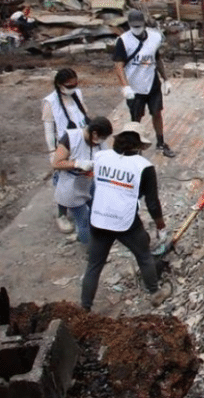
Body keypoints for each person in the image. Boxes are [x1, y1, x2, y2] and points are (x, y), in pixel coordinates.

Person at [81, 122, 171, 311]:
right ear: (139, 146)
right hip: (125, 220)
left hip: (99, 217)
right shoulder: (144, 167)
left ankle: (85, 308)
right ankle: (155, 293)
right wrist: (160, 225)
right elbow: (152, 202)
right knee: (144, 255)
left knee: (94, 266)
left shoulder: (101, 157)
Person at [113, 10, 176, 158]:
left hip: (151, 82)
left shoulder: (154, 38)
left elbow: (157, 59)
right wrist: (125, 86)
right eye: (134, 26)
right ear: (129, 25)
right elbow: (118, 65)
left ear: (144, 24)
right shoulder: (123, 41)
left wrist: (166, 79)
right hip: (134, 86)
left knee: (157, 112)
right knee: (136, 117)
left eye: (139, 26)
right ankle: (135, 145)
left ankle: (161, 142)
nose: (137, 29)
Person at [43, 68, 91, 234]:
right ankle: (61, 214)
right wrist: (52, 152)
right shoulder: (50, 102)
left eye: (75, 84)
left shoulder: (77, 95)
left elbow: (84, 115)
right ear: (59, 85)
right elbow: (49, 130)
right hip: (64, 146)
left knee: (83, 175)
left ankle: (82, 202)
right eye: (69, 85)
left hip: (81, 142)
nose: (72, 88)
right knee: (64, 181)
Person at [52, 117, 112, 245]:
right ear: (94, 133)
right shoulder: (71, 138)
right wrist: (76, 164)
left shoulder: (99, 142)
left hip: (89, 181)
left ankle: (97, 235)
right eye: (101, 138)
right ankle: (90, 248)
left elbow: (107, 157)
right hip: (71, 186)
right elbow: (56, 163)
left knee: (97, 210)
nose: (101, 142)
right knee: (83, 219)